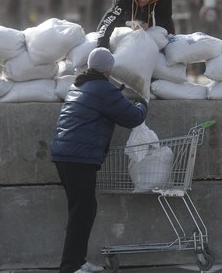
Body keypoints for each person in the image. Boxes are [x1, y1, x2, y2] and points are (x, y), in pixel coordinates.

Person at [51, 47, 148, 273]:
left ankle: (78, 261)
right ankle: (70, 266)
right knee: (82, 211)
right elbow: (133, 117)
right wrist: (143, 102)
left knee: (82, 209)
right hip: (79, 158)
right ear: (109, 69)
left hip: (64, 154)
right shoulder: (104, 89)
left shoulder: (80, 85)